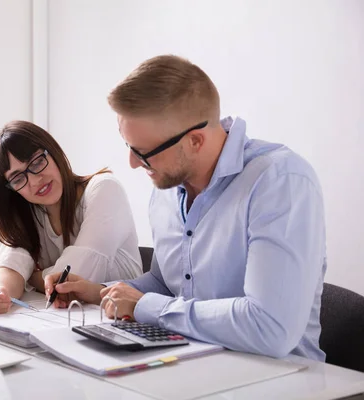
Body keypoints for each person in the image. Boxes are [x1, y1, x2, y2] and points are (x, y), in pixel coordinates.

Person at [45, 55, 327, 361]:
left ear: (194, 141)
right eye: (128, 146)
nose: (132, 163)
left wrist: (144, 306)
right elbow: (168, 283)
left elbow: (269, 328)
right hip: (193, 363)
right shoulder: (168, 188)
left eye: (143, 152)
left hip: (281, 380)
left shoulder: (279, 181)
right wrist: (100, 291)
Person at [0, 120, 142, 316]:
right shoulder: (29, 213)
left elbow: (68, 281)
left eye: (37, 162)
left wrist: (30, 276)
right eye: (18, 178)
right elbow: (11, 266)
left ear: (53, 151)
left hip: (125, 321)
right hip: (71, 319)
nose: (35, 180)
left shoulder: (104, 189)